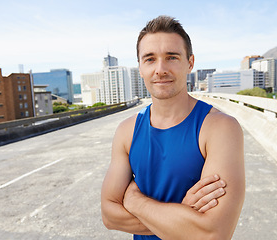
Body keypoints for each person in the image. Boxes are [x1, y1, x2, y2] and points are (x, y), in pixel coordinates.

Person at [101, 15, 245, 240]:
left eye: (171, 57)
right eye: (150, 59)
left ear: (190, 63)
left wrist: (133, 200)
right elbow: (110, 216)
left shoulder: (219, 128)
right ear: (140, 67)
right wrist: (180, 217)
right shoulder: (126, 131)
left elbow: (212, 234)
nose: (160, 69)